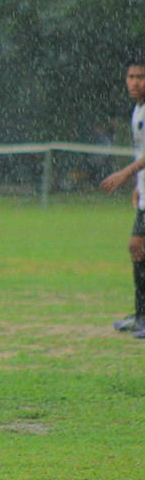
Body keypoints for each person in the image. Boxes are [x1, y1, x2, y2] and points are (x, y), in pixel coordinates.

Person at [100, 57, 145, 337]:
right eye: (130, 77)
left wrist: (126, 173)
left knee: (136, 246)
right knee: (138, 249)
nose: (134, 82)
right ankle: (141, 314)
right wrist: (139, 184)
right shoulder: (137, 110)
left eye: (140, 76)